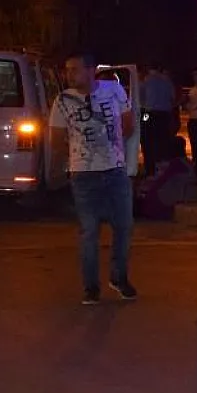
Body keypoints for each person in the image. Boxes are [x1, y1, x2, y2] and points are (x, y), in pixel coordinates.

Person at [49, 52, 138, 305]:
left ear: (91, 70)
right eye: (67, 70)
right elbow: (56, 139)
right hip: (84, 175)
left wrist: (111, 147)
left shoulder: (114, 90)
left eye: (75, 69)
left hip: (115, 169)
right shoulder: (63, 100)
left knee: (124, 226)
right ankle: (91, 287)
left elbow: (128, 125)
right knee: (89, 231)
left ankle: (119, 277)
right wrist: (80, 154)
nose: (69, 75)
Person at [136, 136, 193, 219]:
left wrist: (148, 188)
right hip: (179, 195)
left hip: (170, 198)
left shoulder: (176, 164)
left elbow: (161, 181)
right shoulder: (187, 163)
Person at [140, 64, 176, 177]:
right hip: (164, 115)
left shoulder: (146, 80)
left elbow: (141, 99)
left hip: (148, 114)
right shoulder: (167, 81)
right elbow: (173, 98)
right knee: (163, 142)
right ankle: (162, 169)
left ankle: (149, 169)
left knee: (146, 141)